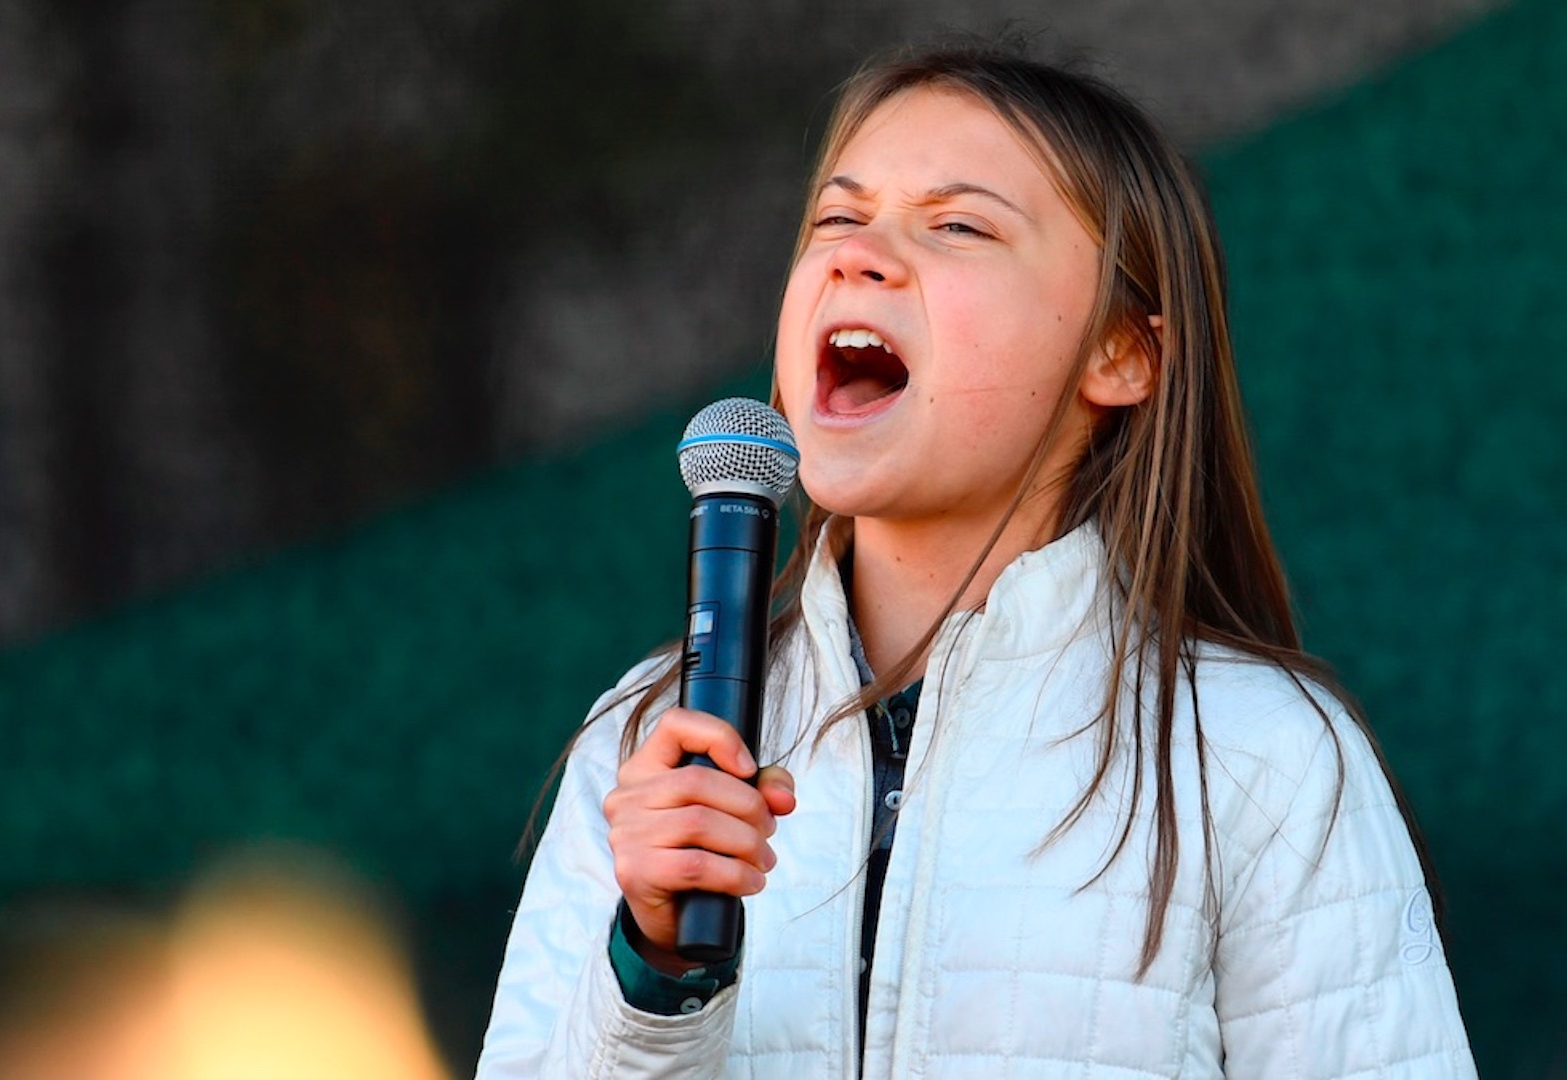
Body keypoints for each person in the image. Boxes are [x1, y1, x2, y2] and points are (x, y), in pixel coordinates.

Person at [476, 41, 1476, 1079]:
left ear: (1123, 353)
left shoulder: (1260, 758)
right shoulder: (646, 743)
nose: (859, 255)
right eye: (836, 218)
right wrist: (653, 973)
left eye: (957, 224)